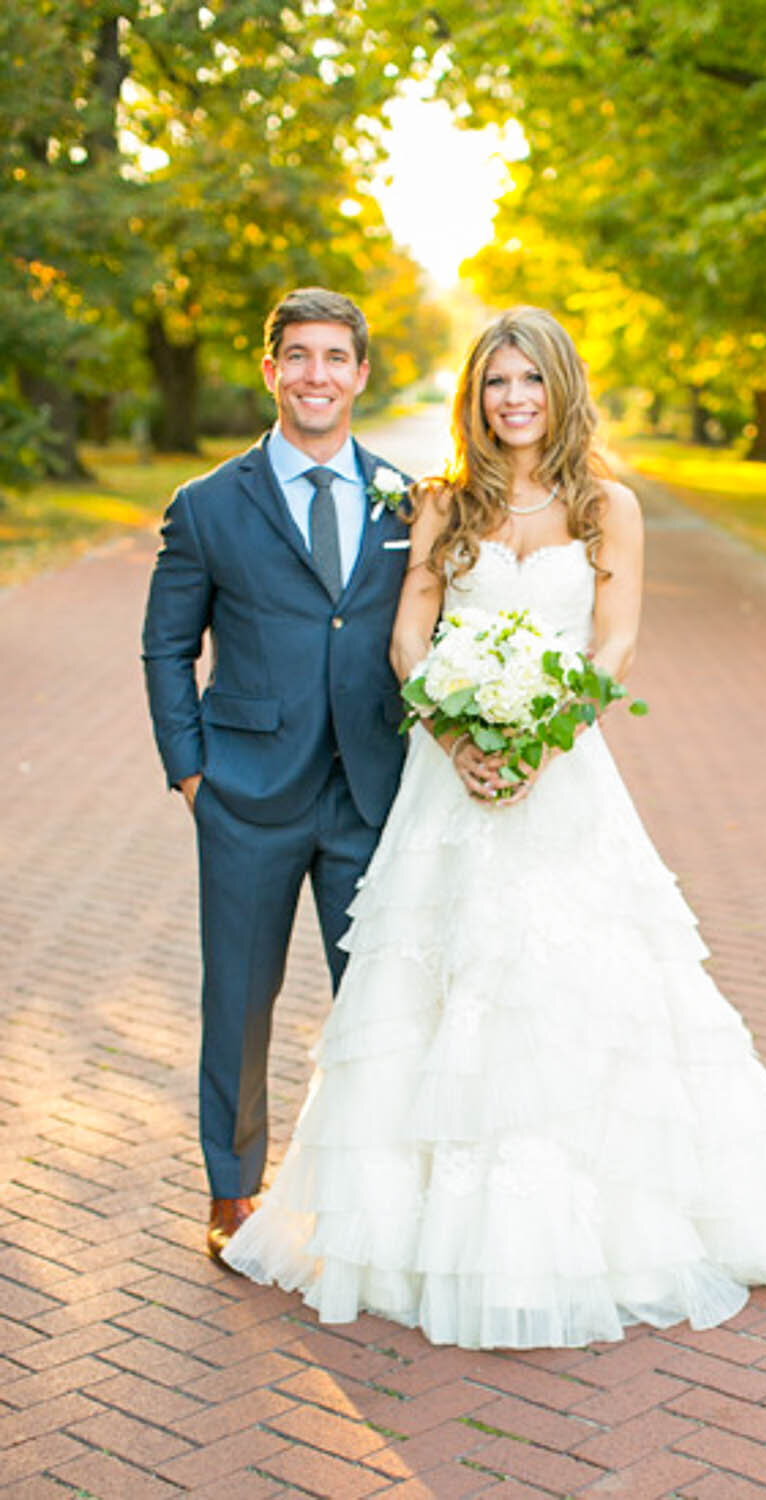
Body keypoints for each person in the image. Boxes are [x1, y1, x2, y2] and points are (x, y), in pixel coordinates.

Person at [223, 306, 766, 1349]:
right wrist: (456, 730)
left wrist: (538, 739)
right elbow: (407, 635)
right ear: (474, 397)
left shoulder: (609, 506)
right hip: (446, 780)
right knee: (436, 984)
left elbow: (614, 647)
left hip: (560, 777)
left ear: (560, 389)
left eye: (529, 382)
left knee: (578, 992)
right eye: (494, 384)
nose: (512, 400)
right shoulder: (442, 502)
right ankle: (411, 1231)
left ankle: (581, 1223)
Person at [142, 288, 413, 1264]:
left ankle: (370, 1188)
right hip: (245, 798)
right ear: (269, 371)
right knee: (239, 1000)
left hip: (368, 799)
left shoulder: (406, 500)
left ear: (359, 374)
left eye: (333, 357)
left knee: (377, 1002)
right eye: (296, 356)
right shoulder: (209, 505)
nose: (314, 376)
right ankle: (232, 1190)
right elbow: (166, 650)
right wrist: (192, 778)